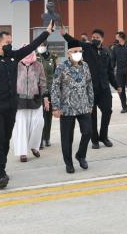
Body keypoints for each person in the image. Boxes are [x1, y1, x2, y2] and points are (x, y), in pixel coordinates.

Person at [0, 22, 53, 189]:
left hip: (11, 107)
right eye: (7, 43)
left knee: (6, 140)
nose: (10, 46)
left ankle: (1, 166)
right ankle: (0, 172)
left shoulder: (13, 57)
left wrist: (46, 32)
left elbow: (32, 46)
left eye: (11, 43)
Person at [62, 28, 118, 149]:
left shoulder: (107, 52)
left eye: (97, 38)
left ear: (102, 39)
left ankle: (104, 136)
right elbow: (74, 41)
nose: (95, 39)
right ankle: (95, 140)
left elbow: (110, 71)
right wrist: (65, 34)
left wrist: (116, 85)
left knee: (107, 111)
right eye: (93, 37)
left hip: (104, 88)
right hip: (90, 88)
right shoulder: (87, 48)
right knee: (92, 115)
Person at [51, 43, 95, 174]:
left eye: (80, 51)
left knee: (88, 132)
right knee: (67, 138)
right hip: (67, 108)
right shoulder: (61, 67)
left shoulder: (85, 66)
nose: (78, 53)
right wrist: (55, 107)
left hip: (83, 106)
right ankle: (68, 163)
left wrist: (91, 103)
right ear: (69, 53)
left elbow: (89, 85)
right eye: (74, 51)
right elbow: (55, 87)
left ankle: (81, 155)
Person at [12, 49, 48, 162]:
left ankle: (34, 146)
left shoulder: (38, 65)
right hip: (20, 100)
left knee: (38, 124)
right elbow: (12, 81)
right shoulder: (16, 64)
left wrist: (44, 97)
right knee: (21, 126)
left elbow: (43, 82)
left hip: (35, 100)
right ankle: (23, 153)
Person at [37, 44, 57, 148]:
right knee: (40, 116)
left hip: (50, 89)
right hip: (39, 90)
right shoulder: (35, 57)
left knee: (48, 116)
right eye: (40, 45)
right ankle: (39, 140)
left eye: (43, 45)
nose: (41, 47)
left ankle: (47, 137)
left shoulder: (53, 58)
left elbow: (55, 73)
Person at [111, 32, 127, 113]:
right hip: (120, 72)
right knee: (120, 89)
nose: (116, 38)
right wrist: (110, 69)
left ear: (121, 37)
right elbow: (113, 60)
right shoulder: (115, 48)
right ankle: (124, 107)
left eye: (117, 36)